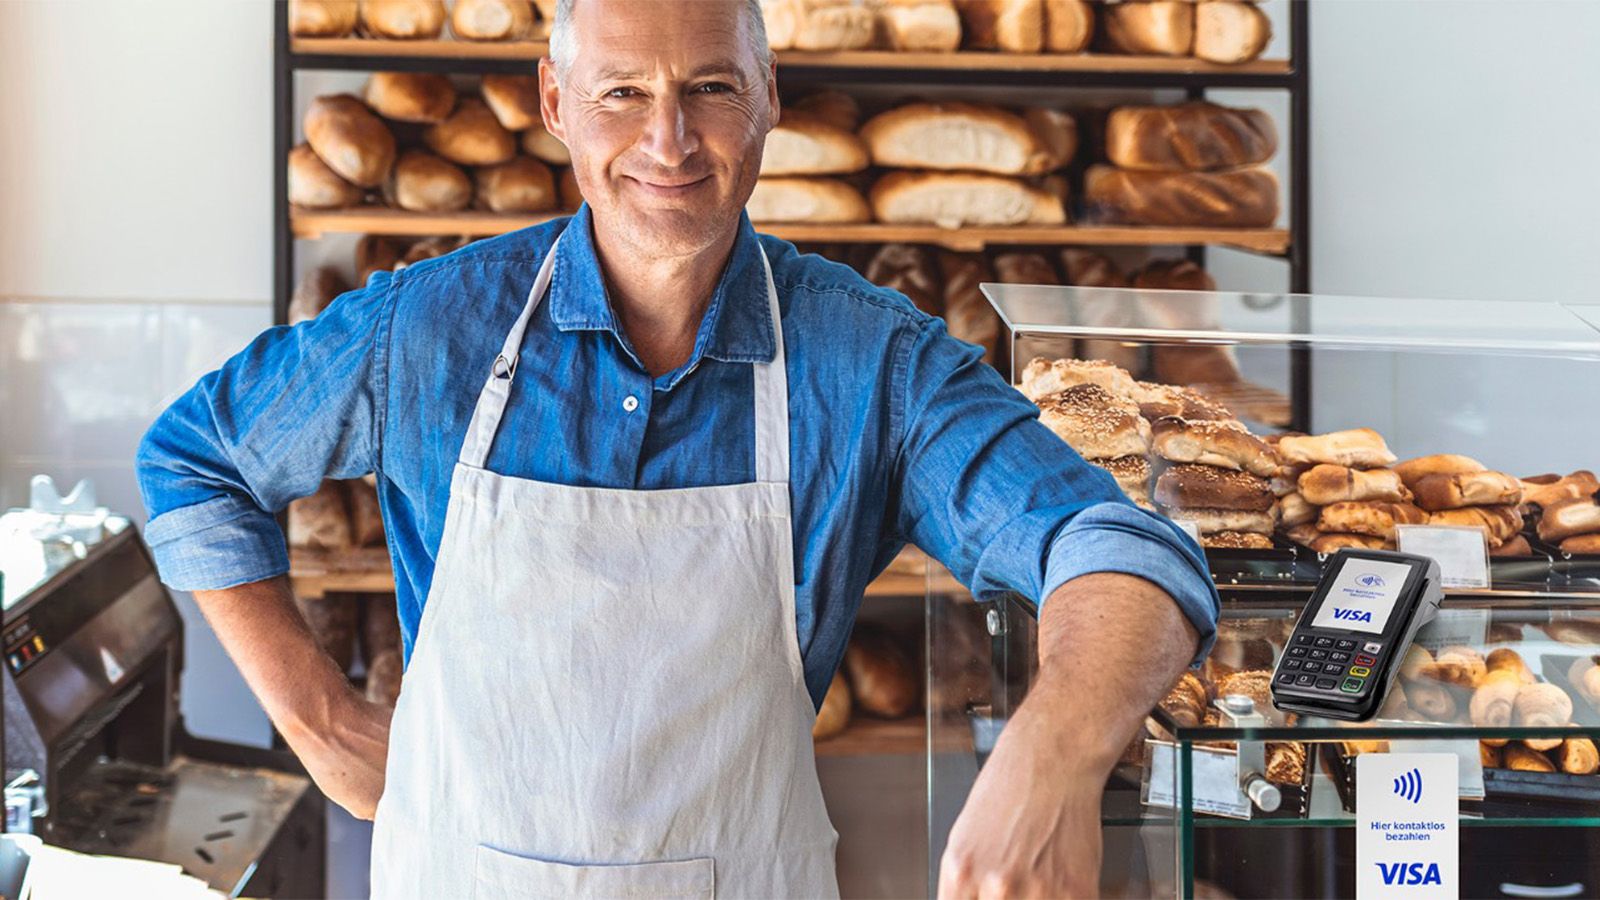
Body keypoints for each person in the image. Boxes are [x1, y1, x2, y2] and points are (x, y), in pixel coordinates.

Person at [136, 0, 1218, 895]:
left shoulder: (867, 360)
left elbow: (1114, 542)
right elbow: (194, 459)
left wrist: (1053, 752)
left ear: (768, 101)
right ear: (556, 104)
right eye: (623, 94)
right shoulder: (428, 327)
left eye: (711, 87)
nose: (670, 142)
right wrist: (315, 716)